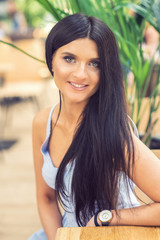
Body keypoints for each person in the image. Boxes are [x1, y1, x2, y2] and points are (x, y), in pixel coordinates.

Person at [28, 13, 160, 240]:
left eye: (94, 63)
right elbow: (46, 199)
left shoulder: (114, 134)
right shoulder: (43, 123)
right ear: (51, 60)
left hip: (115, 234)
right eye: (69, 58)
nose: (80, 74)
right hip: (68, 233)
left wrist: (107, 217)